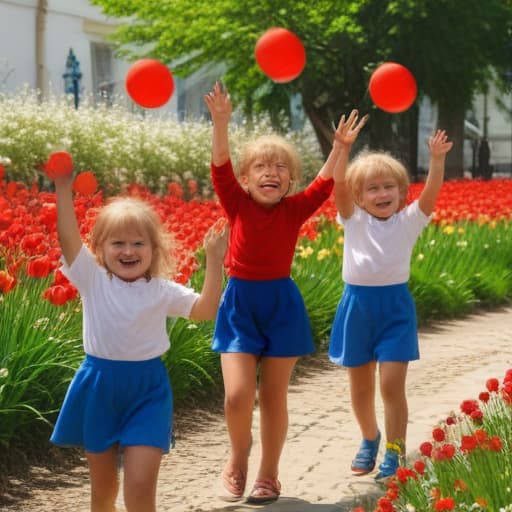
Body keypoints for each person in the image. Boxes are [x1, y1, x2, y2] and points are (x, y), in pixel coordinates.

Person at [203, 81, 367, 504]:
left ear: (289, 181)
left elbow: (325, 183)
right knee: (238, 396)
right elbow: (219, 166)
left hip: (281, 305)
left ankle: (269, 475)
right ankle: (238, 460)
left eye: (279, 168)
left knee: (273, 397)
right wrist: (221, 121)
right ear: (245, 178)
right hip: (239, 304)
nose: (270, 172)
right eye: (260, 166)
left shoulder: (295, 208)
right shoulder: (236, 203)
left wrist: (340, 148)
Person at [49, 170, 228, 512]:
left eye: (138, 243)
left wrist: (215, 261)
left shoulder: (161, 290)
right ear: (99, 249)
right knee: (103, 491)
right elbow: (68, 239)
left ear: (153, 248)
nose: (128, 251)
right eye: (118, 243)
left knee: (140, 486)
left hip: (148, 391)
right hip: (98, 386)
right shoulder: (93, 280)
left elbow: (205, 310)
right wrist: (62, 189)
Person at [328, 123, 453, 481]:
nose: (382, 194)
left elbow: (431, 192)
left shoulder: (409, 221)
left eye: (390, 187)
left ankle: (395, 451)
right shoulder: (352, 219)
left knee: (391, 385)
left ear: (401, 192)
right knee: (361, 387)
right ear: (359, 195)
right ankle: (370, 438)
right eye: (372, 188)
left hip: (395, 311)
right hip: (357, 308)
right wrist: (342, 149)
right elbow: (337, 184)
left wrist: (437, 160)